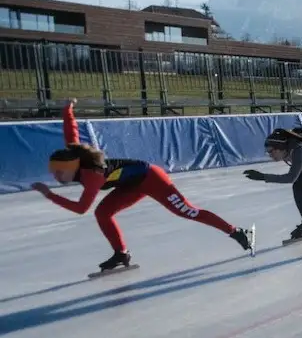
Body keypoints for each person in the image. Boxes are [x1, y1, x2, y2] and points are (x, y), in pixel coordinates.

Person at [31, 99, 254, 272]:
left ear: (72, 167)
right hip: (130, 185)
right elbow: (71, 135)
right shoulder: (75, 156)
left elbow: (81, 208)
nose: (56, 176)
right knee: (103, 213)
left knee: (187, 211)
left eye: (59, 172)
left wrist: (49, 195)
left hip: (151, 178)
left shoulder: (92, 177)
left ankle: (235, 231)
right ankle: (121, 253)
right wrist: (67, 111)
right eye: (54, 172)